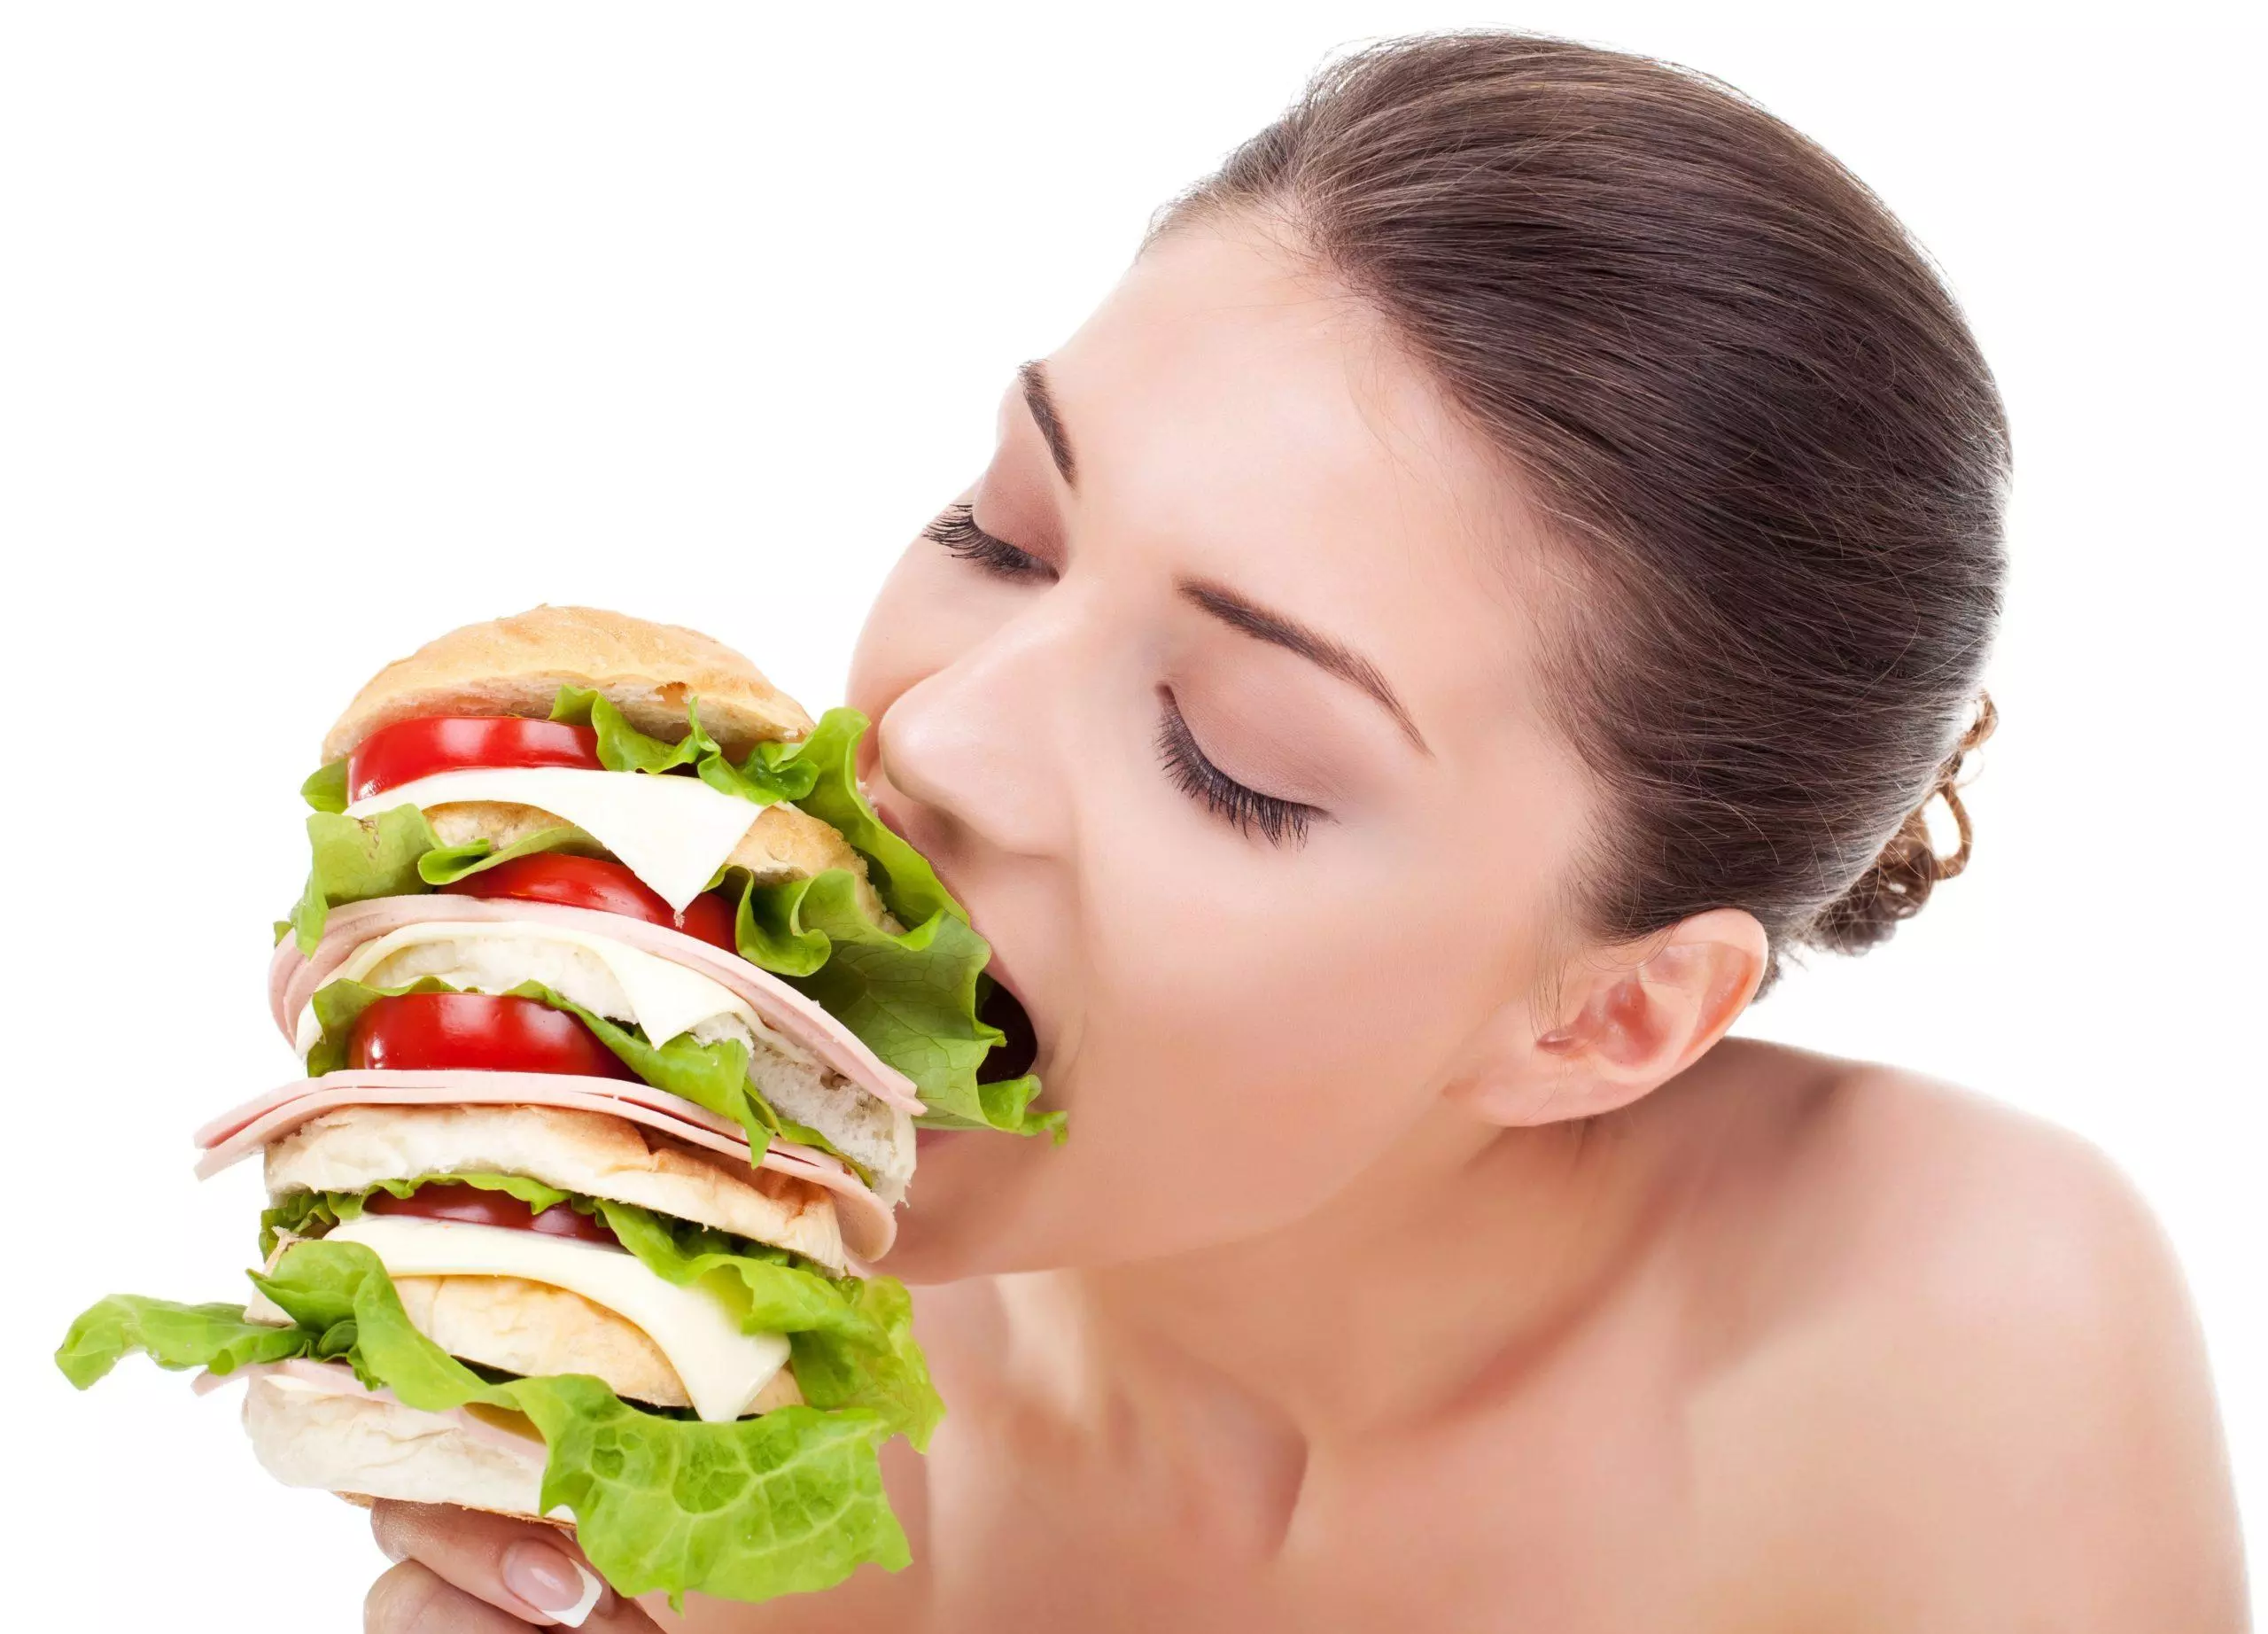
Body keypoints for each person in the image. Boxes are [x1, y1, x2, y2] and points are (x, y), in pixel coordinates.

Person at [361, 32, 2247, 1632]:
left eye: (1231, 757)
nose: (933, 735)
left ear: (1608, 1016)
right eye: (1001, 534)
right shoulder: (742, 1387)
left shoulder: (1945, 1335)